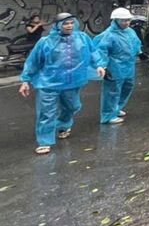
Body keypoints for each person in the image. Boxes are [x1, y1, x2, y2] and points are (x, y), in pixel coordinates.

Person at [18, 13, 105, 155]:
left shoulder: (82, 38)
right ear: (57, 25)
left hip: (72, 82)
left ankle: (63, 124)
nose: (69, 26)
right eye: (65, 23)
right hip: (48, 83)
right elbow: (33, 61)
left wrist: (99, 65)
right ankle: (44, 142)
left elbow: (93, 52)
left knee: (73, 106)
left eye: (71, 22)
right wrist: (25, 80)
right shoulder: (45, 42)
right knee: (46, 113)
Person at [93, 7, 142, 125]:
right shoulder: (109, 35)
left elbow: (136, 43)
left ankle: (116, 108)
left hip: (128, 65)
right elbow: (101, 51)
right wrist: (102, 66)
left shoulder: (130, 31)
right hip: (114, 66)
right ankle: (107, 116)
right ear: (115, 20)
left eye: (128, 20)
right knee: (112, 91)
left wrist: (139, 52)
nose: (126, 23)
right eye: (123, 20)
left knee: (127, 87)